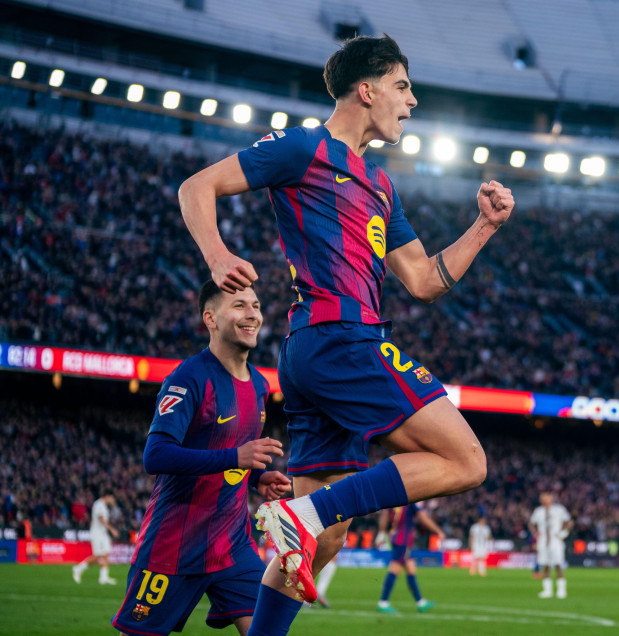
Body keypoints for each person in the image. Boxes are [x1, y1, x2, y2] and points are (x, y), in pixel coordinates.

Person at [177, 34, 513, 636]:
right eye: (403, 86)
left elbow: (424, 279)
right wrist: (216, 253)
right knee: (465, 459)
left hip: (314, 353)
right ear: (368, 88)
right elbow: (196, 187)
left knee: (323, 540)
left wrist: (484, 226)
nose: (412, 102)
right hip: (341, 339)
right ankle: (301, 513)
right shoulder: (304, 148)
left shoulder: (382, 186)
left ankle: (293, 541)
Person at [111, 282, 292, 636]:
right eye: (239, 306)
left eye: (255, 305)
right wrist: (237, 457)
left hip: (232, 544)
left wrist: (257, 477)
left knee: (267, 630)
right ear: (210, 318)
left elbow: (236, 450)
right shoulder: (188, 377)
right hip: (174, 546)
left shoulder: (259, 384)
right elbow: (156, 454)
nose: (252, 314)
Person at [376, 503, 445, 613]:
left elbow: (384, 515)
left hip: (396, 537)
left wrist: (381, 533)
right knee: (395, 569)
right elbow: (423, 518)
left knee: (410, 569)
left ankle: (420, 602)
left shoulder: (393, 500)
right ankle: (383, 602)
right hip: (402, 540)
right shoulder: (410, 501)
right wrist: (438, 531)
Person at [529, 492, 572, 599]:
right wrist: (535, 533)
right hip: (543, 541)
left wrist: (564, 532)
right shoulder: (538, 511)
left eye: (546, 497)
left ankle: (561, 590)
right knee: (545, 566)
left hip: (555, 541)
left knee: (558, 565)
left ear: (551, 498)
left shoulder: (559, 510)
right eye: (542, 497)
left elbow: (569, 522)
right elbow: (531, 523)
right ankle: (547, 591)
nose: (544, 499)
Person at [73, 493, 119, 585]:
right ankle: (78, 568)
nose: (113, 500)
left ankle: (104, 578)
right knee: (98, 556)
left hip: (103, 533)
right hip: (97, 534)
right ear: (108, 496)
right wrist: (112, 529)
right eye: (112, 498)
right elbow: (101, 519)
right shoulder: (99, 504)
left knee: (106, 553)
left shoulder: (105, 506)